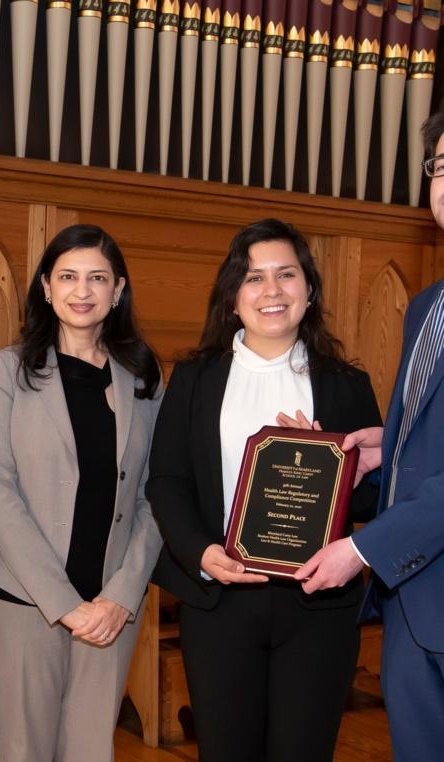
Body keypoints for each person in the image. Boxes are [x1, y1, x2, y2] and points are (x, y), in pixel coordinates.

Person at [146, 218, 382, 762]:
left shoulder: (346, 384)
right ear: (232, 297)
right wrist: (202, 554)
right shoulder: (195, 378)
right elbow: (168, 480)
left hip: (318, 608)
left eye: (286, 275)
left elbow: (370, 502)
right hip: (220, 599)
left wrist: (335, 471)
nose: (271, 291)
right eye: (253, 277)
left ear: (309, 290)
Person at [0, 223, 163, 762]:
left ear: (118, 290)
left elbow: (157, 492)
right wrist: (63, 604)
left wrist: (123, 595)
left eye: (97, 278)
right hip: (24, 596)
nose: (83, 291)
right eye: (69, 276)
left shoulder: (144, 375)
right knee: (25, 748)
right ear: (46, 287)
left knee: (89, 748)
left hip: (111, 602)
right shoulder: (6, 369)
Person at [296, 111, 444, 760]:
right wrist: (389, 453)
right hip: (415, 604)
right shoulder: (426, 306)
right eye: (440, 166)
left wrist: (361, 549)